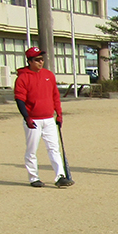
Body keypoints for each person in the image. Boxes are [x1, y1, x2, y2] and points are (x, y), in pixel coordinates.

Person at [14, 46, 73, 188]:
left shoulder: (49, 75)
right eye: (37, 60)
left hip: (48, 118)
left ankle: (60, 176)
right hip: (33, 120)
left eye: (42, 59)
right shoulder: (23, 78)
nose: (41, 62)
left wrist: (59, 114)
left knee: (54, 148)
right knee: (32, 149)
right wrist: (26, 117)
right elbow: (19, 99)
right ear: (29, 61)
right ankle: (34, 177)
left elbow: (55, 96)